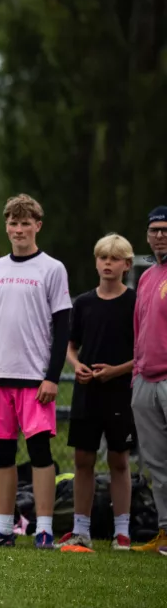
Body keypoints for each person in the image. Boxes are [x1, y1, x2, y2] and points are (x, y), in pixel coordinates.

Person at [0, 194, 71, 549]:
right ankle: (3, 527)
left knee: (40, 453)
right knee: (3, 455)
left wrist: (53, 377)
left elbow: (62, 328)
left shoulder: (52, 268)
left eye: (26, 223)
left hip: (35, 378)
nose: (19, 229)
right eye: (13, 223)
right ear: (7, 226)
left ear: (37, 226)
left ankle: (43, 529)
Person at [57, 234, 136, 551]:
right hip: (86, 392)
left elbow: (144, 351)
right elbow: (70, 346)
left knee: (119, 460)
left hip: (121, 392)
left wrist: (115, 371)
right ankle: (81, 529)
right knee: (83, 459)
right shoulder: (84, 302)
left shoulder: (135, 303)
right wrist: (76, 366)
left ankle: (122, 532)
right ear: (95, 262)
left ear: (127, 265)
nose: (107, 263)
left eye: (114, 259)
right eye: (103, 257)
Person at [130, 206, 167, 554]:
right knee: (156, 462)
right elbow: (139, 330)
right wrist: (136, 374)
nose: (159, 235)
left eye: (165, 229)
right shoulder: (146, 277)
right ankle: (165, 532)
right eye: (154, 229)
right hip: (144, 378)